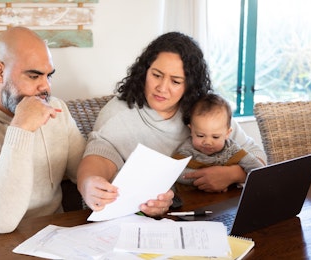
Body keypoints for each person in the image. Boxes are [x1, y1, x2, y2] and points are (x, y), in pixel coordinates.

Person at [76, 32, 267, 216]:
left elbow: (258, 158)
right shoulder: (118, 114)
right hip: (148, 220)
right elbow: (99, 155)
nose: (162, 87)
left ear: (190, 85)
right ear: (144, 72)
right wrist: (89, 183)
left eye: (176, 81)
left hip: (214, 210)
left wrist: (234, 175)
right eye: (156, 75)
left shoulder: (204, 110)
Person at [0, 27, 85, 233]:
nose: (46, 87)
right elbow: (0, 221)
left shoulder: (56, 110)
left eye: (49, 76)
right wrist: (21, 128)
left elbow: (83, 169)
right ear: (0, 72)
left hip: (53, 236)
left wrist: (97, 181)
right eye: (34, 76)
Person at [173, 93, 264, 189]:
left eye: (215, 137)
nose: (207, 142)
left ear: (227, 133)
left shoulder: (233, 150)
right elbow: (175, 172)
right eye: (200, 135)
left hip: (227, 200)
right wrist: (202, 179)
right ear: (191, 130)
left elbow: (257, 169)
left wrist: (233, 176)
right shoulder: (187, 150)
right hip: (194, 200)